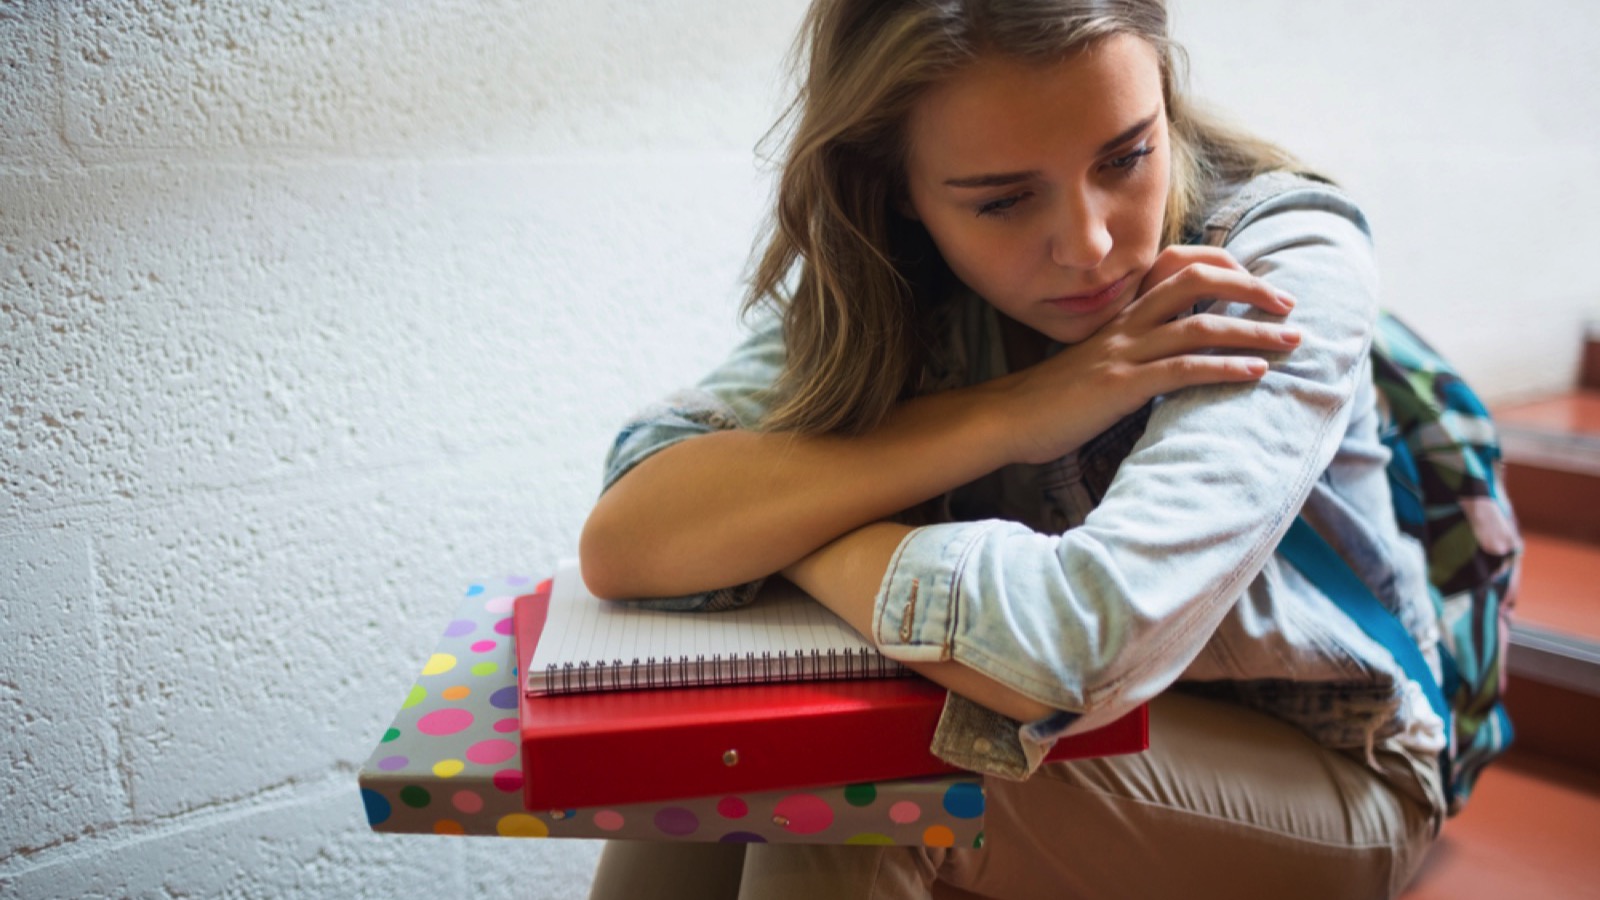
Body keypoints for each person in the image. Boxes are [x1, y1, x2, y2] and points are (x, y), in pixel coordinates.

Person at [579, 1, 1446, 897]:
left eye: (1127, 157)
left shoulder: (1276, 260)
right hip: (1065, 742)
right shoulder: (888, 278)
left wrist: (797, 531)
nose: (1092, 244)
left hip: (1337, 769)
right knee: (713, 755)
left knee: (862, 787)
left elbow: (1073, 644)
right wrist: (1019, 412)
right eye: (1002, 199)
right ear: (896, 192)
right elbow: (630, 534)